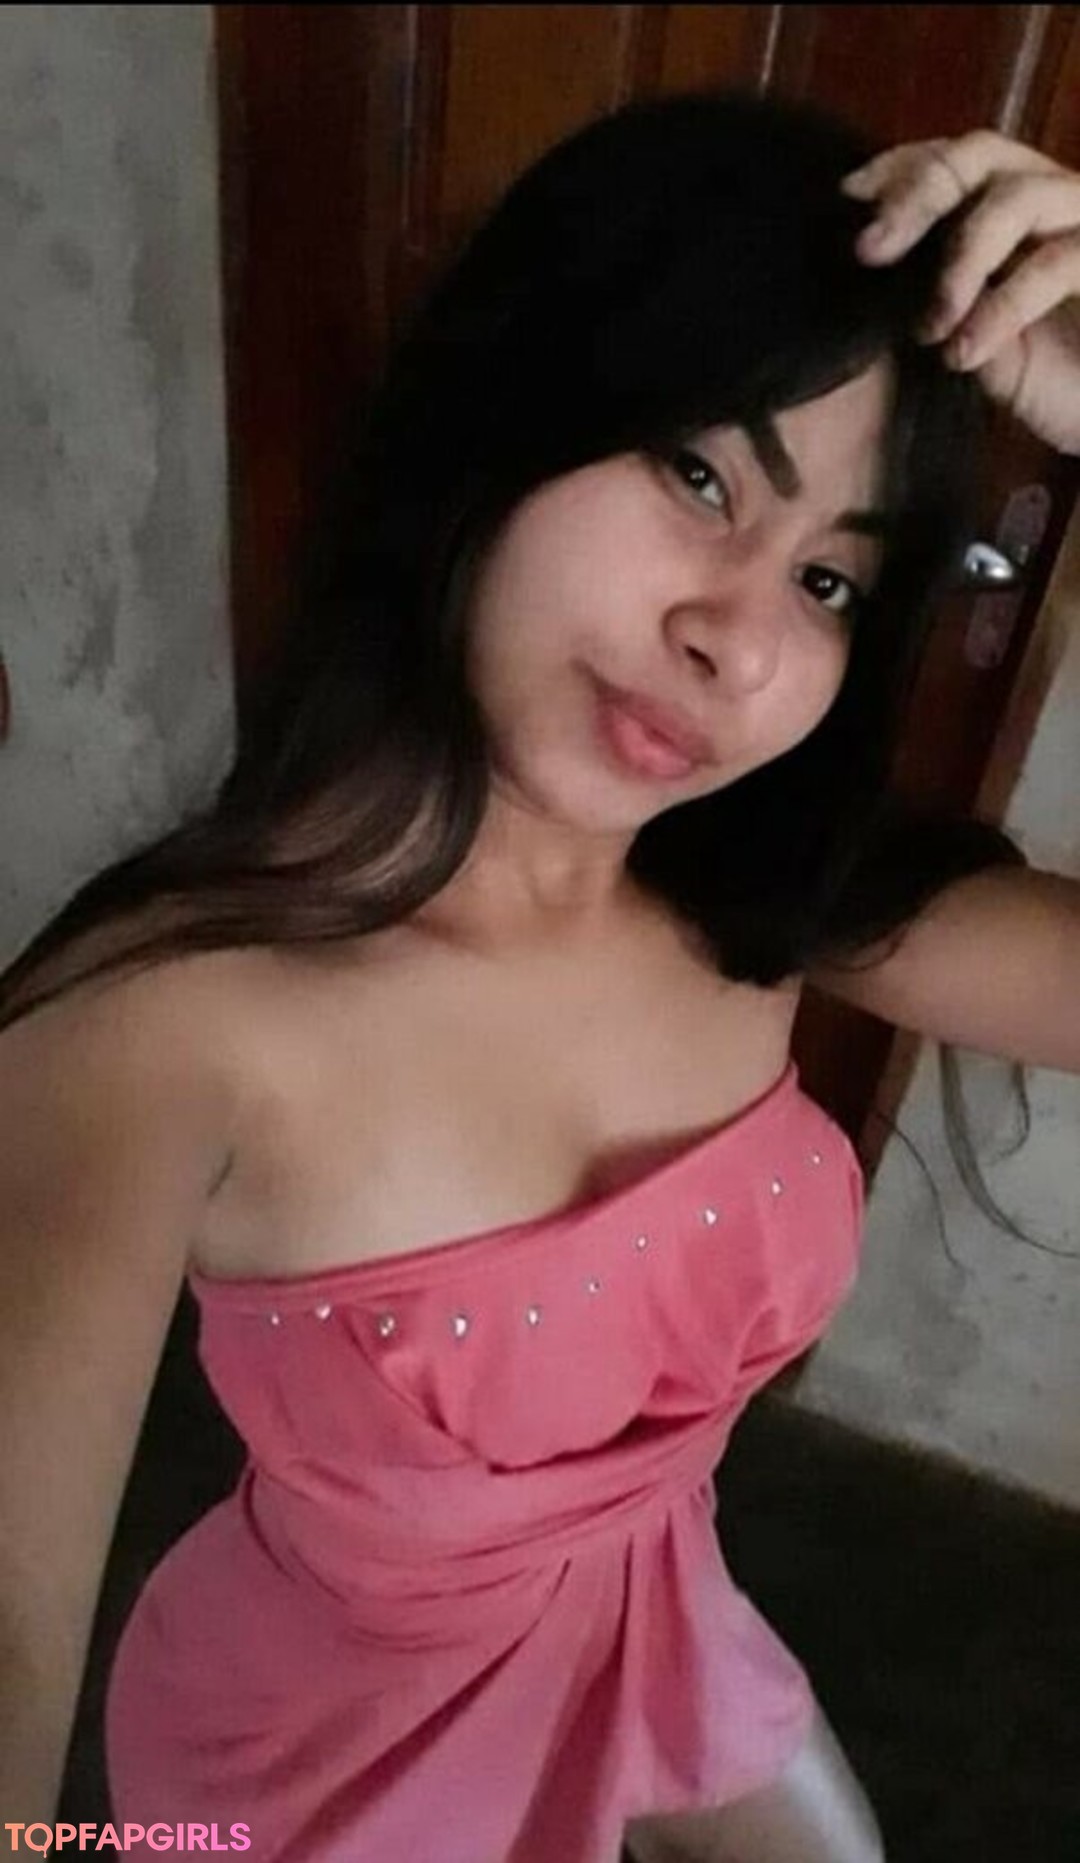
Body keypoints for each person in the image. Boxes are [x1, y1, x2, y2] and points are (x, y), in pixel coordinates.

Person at [1, 88, 1078, 1863]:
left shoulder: (770, 899)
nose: (739, 641)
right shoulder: (157, 1028)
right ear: (508, 407)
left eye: (830, 579)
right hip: (313, 1775)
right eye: (699, 475)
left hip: (662, 1625)